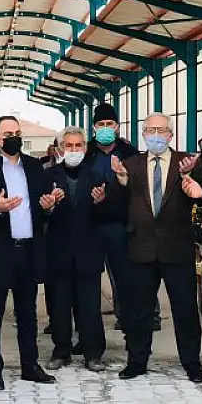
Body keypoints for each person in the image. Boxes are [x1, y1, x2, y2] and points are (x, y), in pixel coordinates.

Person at [110, 114, 202, 383]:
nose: (155, 135)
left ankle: (191, 362)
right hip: (141, 246)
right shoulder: (131, 164)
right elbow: (117, 204)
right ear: (143, 134)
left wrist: (191, 177)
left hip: (177, 246)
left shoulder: (187, 162)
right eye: (150, 130)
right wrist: (121, 181)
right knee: (138, 309)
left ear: (170, 134)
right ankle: (137, 361)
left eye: (161, 130)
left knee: (185, 309)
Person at [0, 115, 56, 390]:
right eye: (7, 134)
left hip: (28, 249)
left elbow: (42, 206)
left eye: (17, 132)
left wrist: (49, 205)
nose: (14, 138)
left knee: (27, 312)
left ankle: (30, 365)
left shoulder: (34, 167)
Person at [42, 126, 107, 373]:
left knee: (90, 306)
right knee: (59, 305)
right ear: (60, 149)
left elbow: (108, 213)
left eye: (78, 145)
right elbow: (39, 213)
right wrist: (49, 206)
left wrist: (101, 203)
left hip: (88, 251)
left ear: (85, 148)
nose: (73, 150)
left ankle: (93, 353)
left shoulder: (97, 175)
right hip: (58, 251)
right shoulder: (49, 176)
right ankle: (61, 351)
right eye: (68, 145)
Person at [84, 103, 139, 332]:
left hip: (120, 225)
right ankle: (89, 330)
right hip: (91, 225)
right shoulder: (85, 153)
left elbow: (139, 187)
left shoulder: (130, 153)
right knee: (88, 280)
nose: (105, 127)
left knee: (126, 278)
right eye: (101, 124)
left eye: (110, 123)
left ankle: (130, 323)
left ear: (117, 126)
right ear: (94, 128)